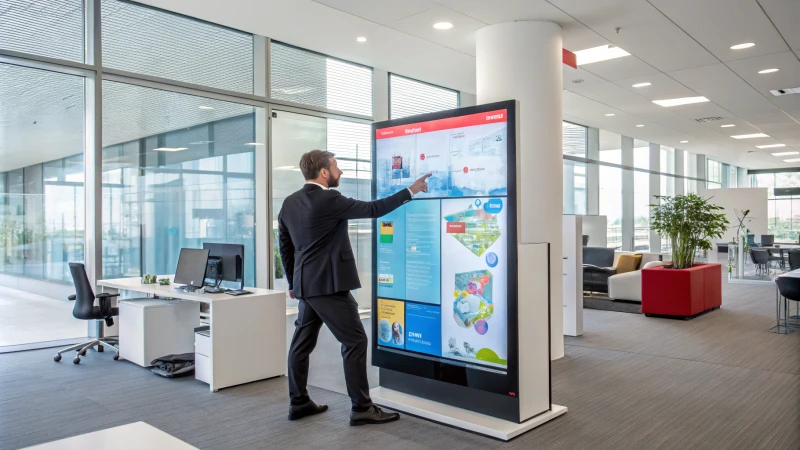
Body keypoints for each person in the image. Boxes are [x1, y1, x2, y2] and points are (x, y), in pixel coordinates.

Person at [278, 149, 430, 426]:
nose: (341, 172)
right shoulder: (329, 198)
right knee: (355, 341)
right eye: (336, 167)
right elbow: (373, 209)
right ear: (324, 172)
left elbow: (285, 247)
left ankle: (298, 402)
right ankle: (361, 408)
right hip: (329, 285)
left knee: (301, 343)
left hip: (306, 285)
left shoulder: (289, 202)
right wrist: (411, 189)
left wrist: (293, 282)